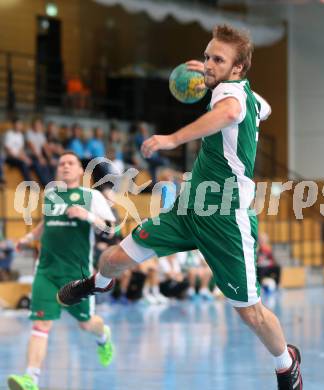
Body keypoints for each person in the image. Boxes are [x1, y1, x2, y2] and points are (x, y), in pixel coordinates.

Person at [57, 24, 303, 389]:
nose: (207, 64)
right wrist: (210, 76)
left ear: (238, 69)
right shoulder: (247, 94)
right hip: (190, 209)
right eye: (207, 56)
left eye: (217, 60)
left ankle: (287, 364)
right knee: (111, 259)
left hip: (225, 218)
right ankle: (99, 284)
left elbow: (229, 112)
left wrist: (172, 138)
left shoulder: (232, 98)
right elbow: (258, 106)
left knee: (250, 313)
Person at [7, 151, 116, 390]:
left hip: (76, 275)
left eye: (71, 163)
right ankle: (30, 378)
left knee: (86, 324)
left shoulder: (92, 196)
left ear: (79, 171)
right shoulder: (50, 195)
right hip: (45, 271)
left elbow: (110, 230)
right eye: (62, 163)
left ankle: (103, 335)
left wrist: (87, 215)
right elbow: (46, 224)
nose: (65, 166)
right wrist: (28, 237)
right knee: (41, 325)